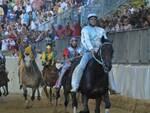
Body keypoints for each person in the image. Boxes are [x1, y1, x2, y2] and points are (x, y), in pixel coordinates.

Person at [71, 13, 108, 92]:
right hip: (88, 52)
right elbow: (85, 40)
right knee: (81, 66)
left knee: (107, 66)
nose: (93, 21)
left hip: (99, 53)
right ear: (89, 21)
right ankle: (75, 85)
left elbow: (105, 40)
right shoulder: (85, 29)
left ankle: (111, 87)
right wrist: (91, 49)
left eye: (95, 19)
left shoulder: (101, 30)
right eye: (91, 19)